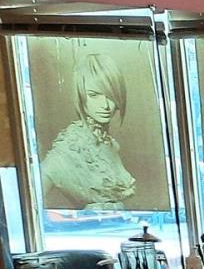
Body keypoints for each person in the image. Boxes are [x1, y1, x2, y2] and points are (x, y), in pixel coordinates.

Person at [40, 52, 138, 209]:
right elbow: (30, 195)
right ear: (80, 96)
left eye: (111, 96)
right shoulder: (68, 149)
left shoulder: (111, 145)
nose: (105, 105)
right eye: (94, 95)